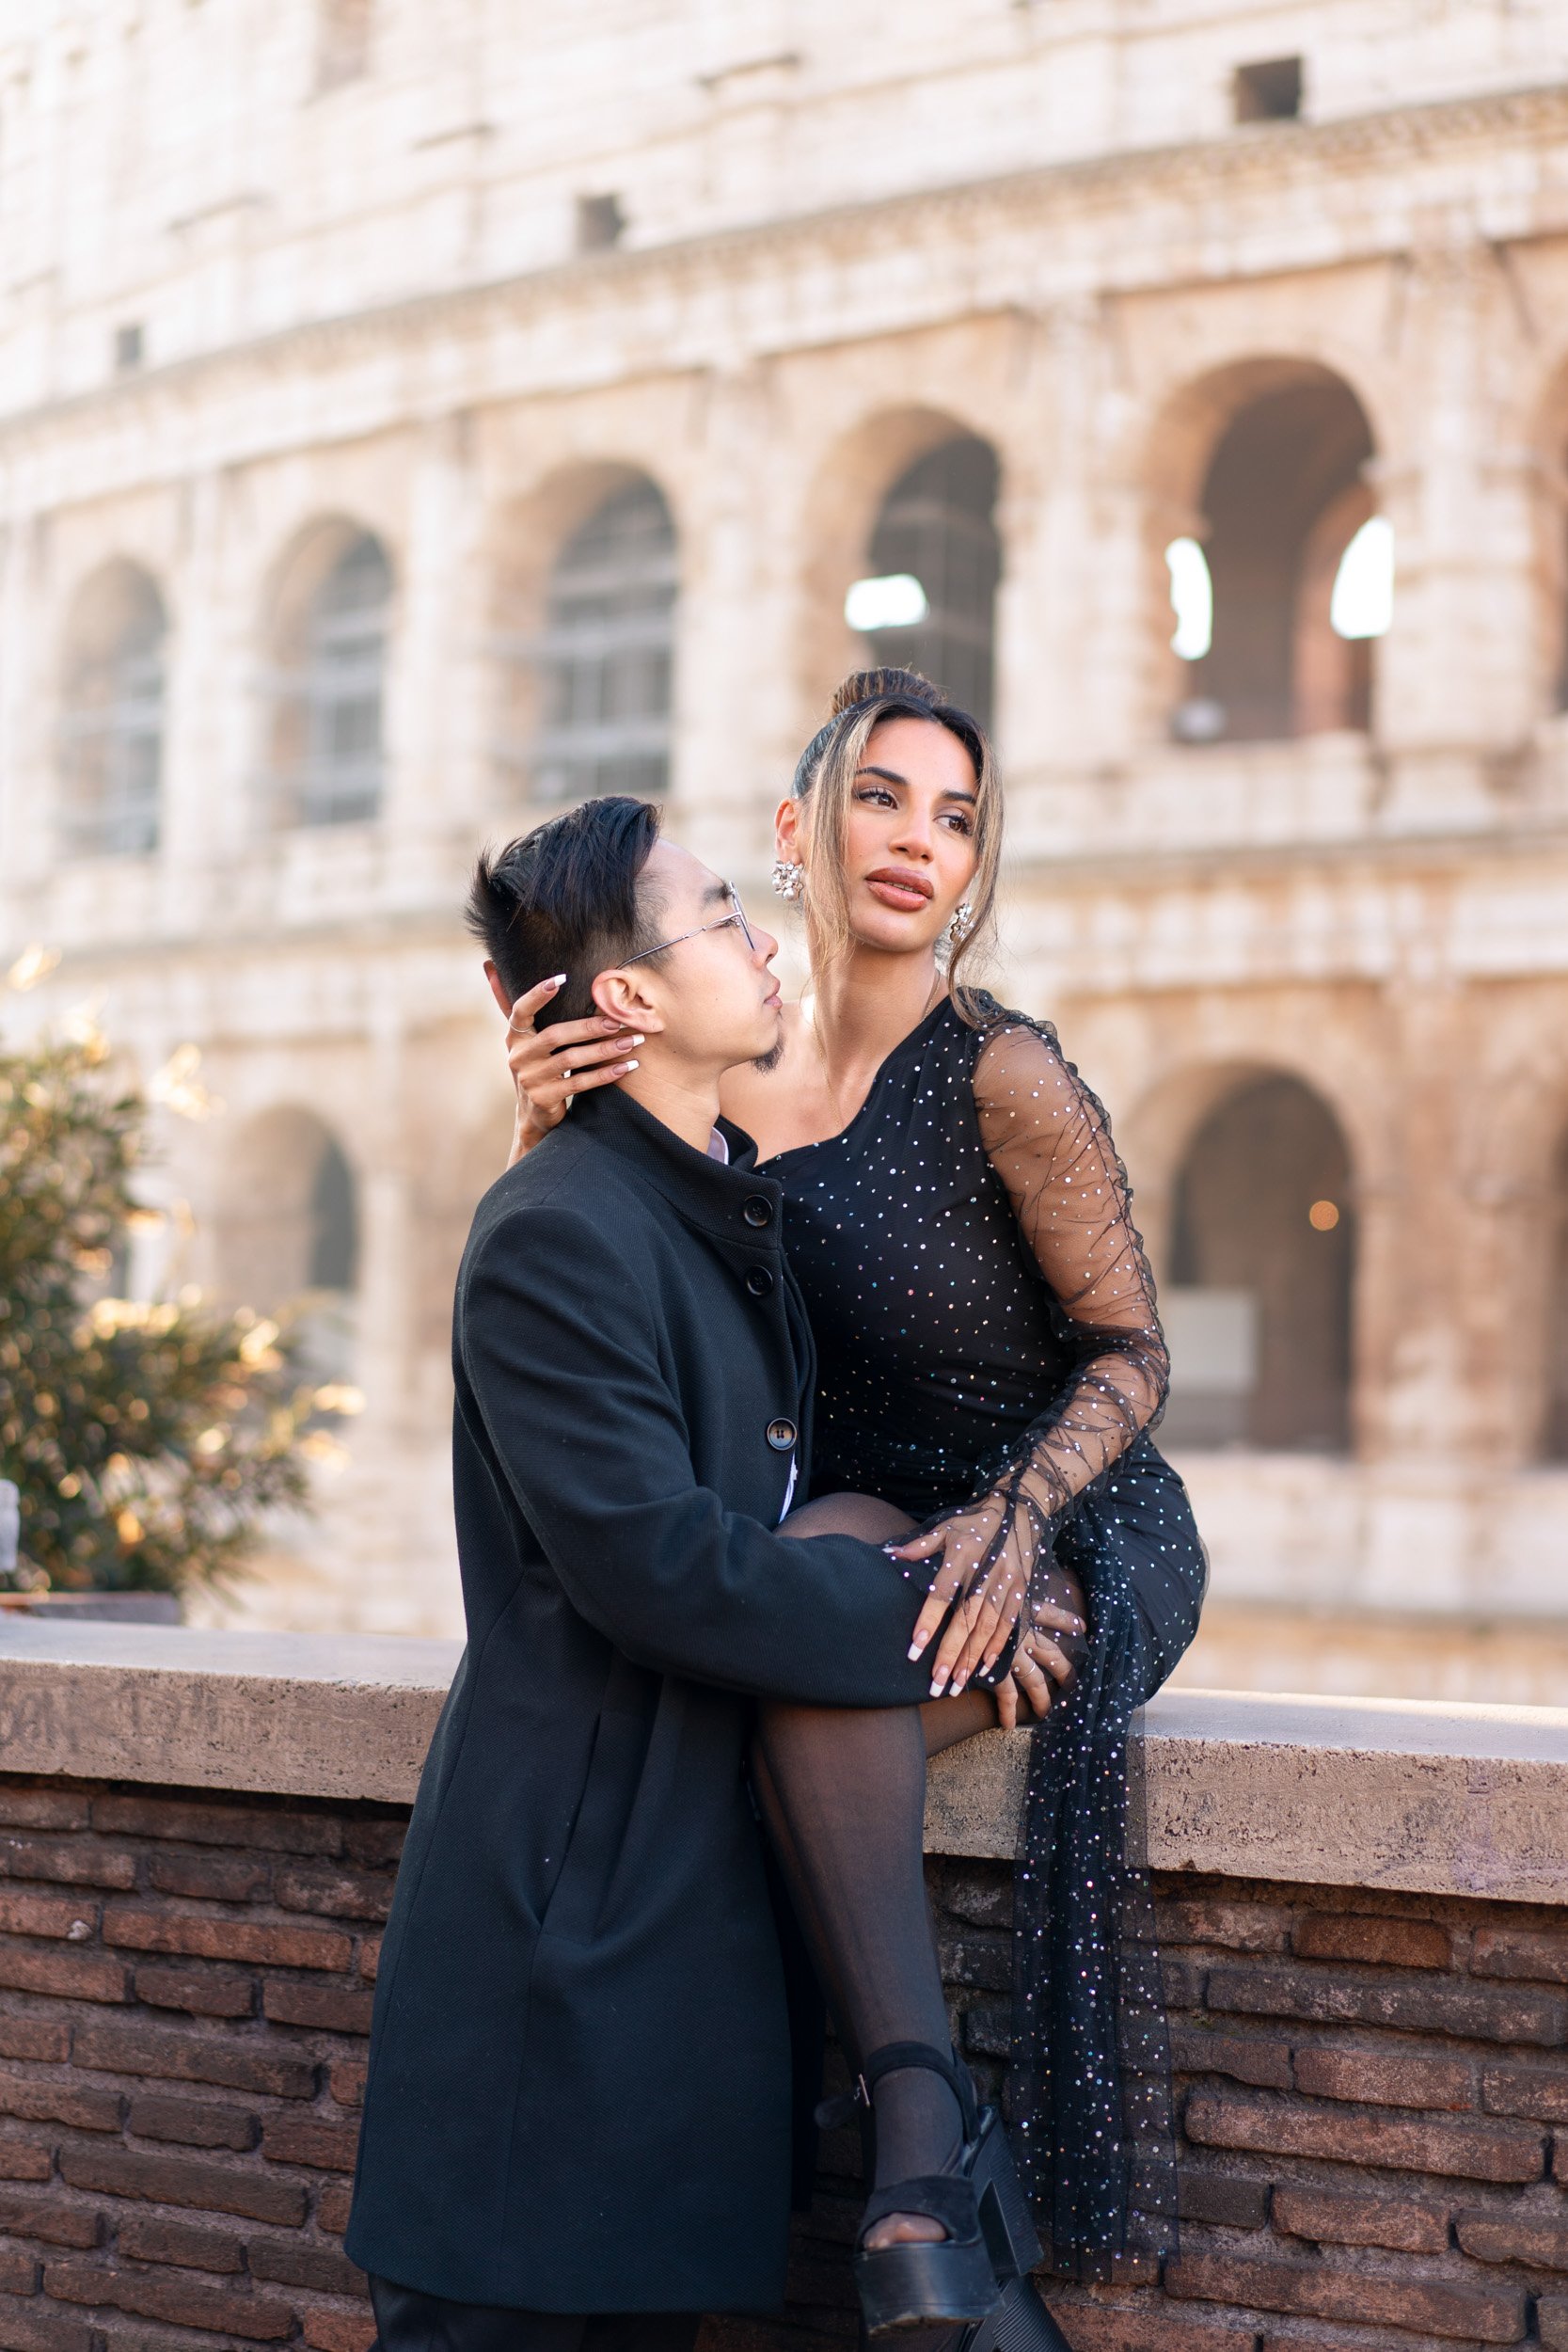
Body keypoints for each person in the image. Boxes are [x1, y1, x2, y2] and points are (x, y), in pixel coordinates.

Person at [503, 671, 1211, 2324]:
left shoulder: (1003, 1071)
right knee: (812, 1599)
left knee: (808, 1679)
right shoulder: (724, 1076)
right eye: (883, 796)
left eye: (956, 817)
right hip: (865, 1528)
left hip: (1063, 1520)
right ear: (795, 828)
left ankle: (912, 2140)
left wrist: (1023, 1520)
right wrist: (539, 1124)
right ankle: (935, 2154)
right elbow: (593, 1282)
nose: (918, 840)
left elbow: (1131, 1349)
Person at [345, 793, 1064, 2352]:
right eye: (726, 917)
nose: (762, 938)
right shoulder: (557, 1233)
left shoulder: (699, 1200)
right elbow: (662, 1569)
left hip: (666, 1997)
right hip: (557, 2000)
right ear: (630, 999)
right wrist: (938, 1624)